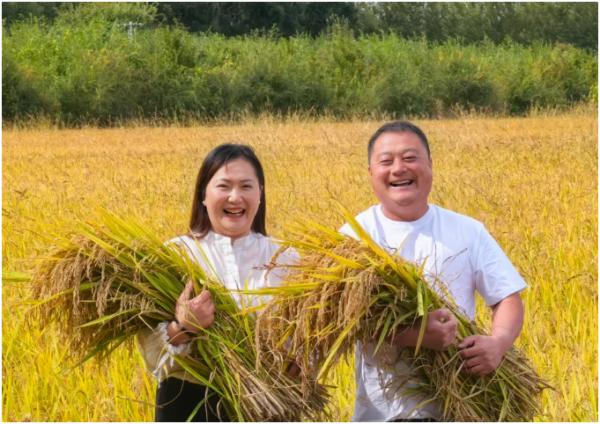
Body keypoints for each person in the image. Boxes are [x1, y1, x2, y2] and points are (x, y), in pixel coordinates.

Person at [339, 121, 527, 421]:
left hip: (463, 404)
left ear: (430, 165)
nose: (399, 168)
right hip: (383, 411)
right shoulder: (353, 238)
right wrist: (414, 336)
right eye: (386, 161)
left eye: (410, 158)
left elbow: (507, 297)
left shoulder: (467, 231)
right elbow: (342, 322)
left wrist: (498, 343)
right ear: (371, 174)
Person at [137, 143, 293, 422]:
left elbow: (312, 342)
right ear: (203, 195)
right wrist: (183, 327)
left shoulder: (288, 259)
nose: (235, 197)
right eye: (224, 186)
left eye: (246, 186)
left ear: (261, 194)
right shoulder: (174, 256)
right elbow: (150, 354)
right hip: (187, 404)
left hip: (269, 406)